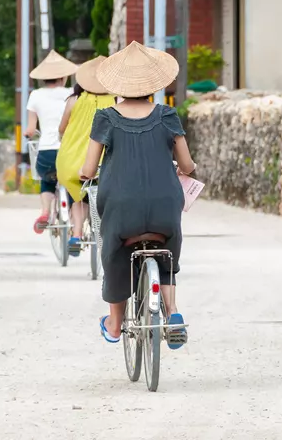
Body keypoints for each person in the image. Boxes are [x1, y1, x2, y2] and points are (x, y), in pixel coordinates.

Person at [79, 42, 196, 350]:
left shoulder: (105, 117)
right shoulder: (167, 115)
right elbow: (186, 164)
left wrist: (85, 173)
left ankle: (115, 325)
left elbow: (89, 168)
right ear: (154, 85)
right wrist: (188, 166)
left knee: (114, 253)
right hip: (164, 207)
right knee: (168, 254)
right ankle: (172, 314)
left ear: (117, 85)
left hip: (121, 207)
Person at [56, 56, 115, 256]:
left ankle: (77, 233)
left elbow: (62, 129)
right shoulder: (116, 100)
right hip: (104, 162)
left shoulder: (73, 101)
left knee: (77, 196)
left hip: (73, 161)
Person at [24, 50, 78, 234]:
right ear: (63, 77)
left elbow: (30, 130)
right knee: (72, 184)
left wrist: (29, 133)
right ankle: (73, 224)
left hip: (46, 153)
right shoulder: (72, 93)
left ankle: (45, 213)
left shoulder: (36, 95)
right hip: (69, 151)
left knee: (47, 181)